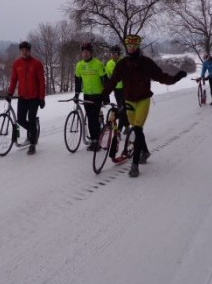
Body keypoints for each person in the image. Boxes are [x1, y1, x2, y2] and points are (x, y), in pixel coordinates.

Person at [102, 34, 187, 178]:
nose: (131, 48)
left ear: (138, 46)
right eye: (129, 46)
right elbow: (112, 81)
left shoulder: (146, 62)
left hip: (143, 100)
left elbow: (161, 76)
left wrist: (175, 78)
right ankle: (145, 151)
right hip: (129, 100)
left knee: (137, 129)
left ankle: (134, 166)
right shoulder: (122, 64)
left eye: (134, 46)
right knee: (137, 130)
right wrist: (102, 96)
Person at [7, 41, 45, 155]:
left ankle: (32, 144)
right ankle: (33, 130)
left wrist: (42, 98)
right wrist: (10, 93)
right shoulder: (16, 63)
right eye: (22, 50)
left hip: (34, 97)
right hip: (22, 97)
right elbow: (14, 79)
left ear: (29, 51)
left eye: (26, 50)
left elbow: (42, 82)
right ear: (20, 51)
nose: (24, 52)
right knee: (20, 120)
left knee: (32, 119)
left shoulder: (37, 63)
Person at [74, 42, 106, 151]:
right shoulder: (79, 65)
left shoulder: (98, 64)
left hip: (97, 95)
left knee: (93, 118)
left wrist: (105, 96)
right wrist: (76, 95)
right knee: (90, 118)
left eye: (87, 52)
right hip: (87, 95)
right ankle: (93, 140)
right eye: (83, 52)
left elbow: (104, 80)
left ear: (91, 53)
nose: (85, 54)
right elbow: (78, 81)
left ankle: (96, 142)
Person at [104, 45, 129, 134]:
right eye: (111, 53)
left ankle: (119, 128)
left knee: (121, 108)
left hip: (125, 89)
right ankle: (126, 126)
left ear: (118, 54)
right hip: (116, 89)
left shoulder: (124, 62)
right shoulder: (109, 63)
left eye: (115, 54)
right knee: (120, 108)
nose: (113, 55)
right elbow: (107, 76)